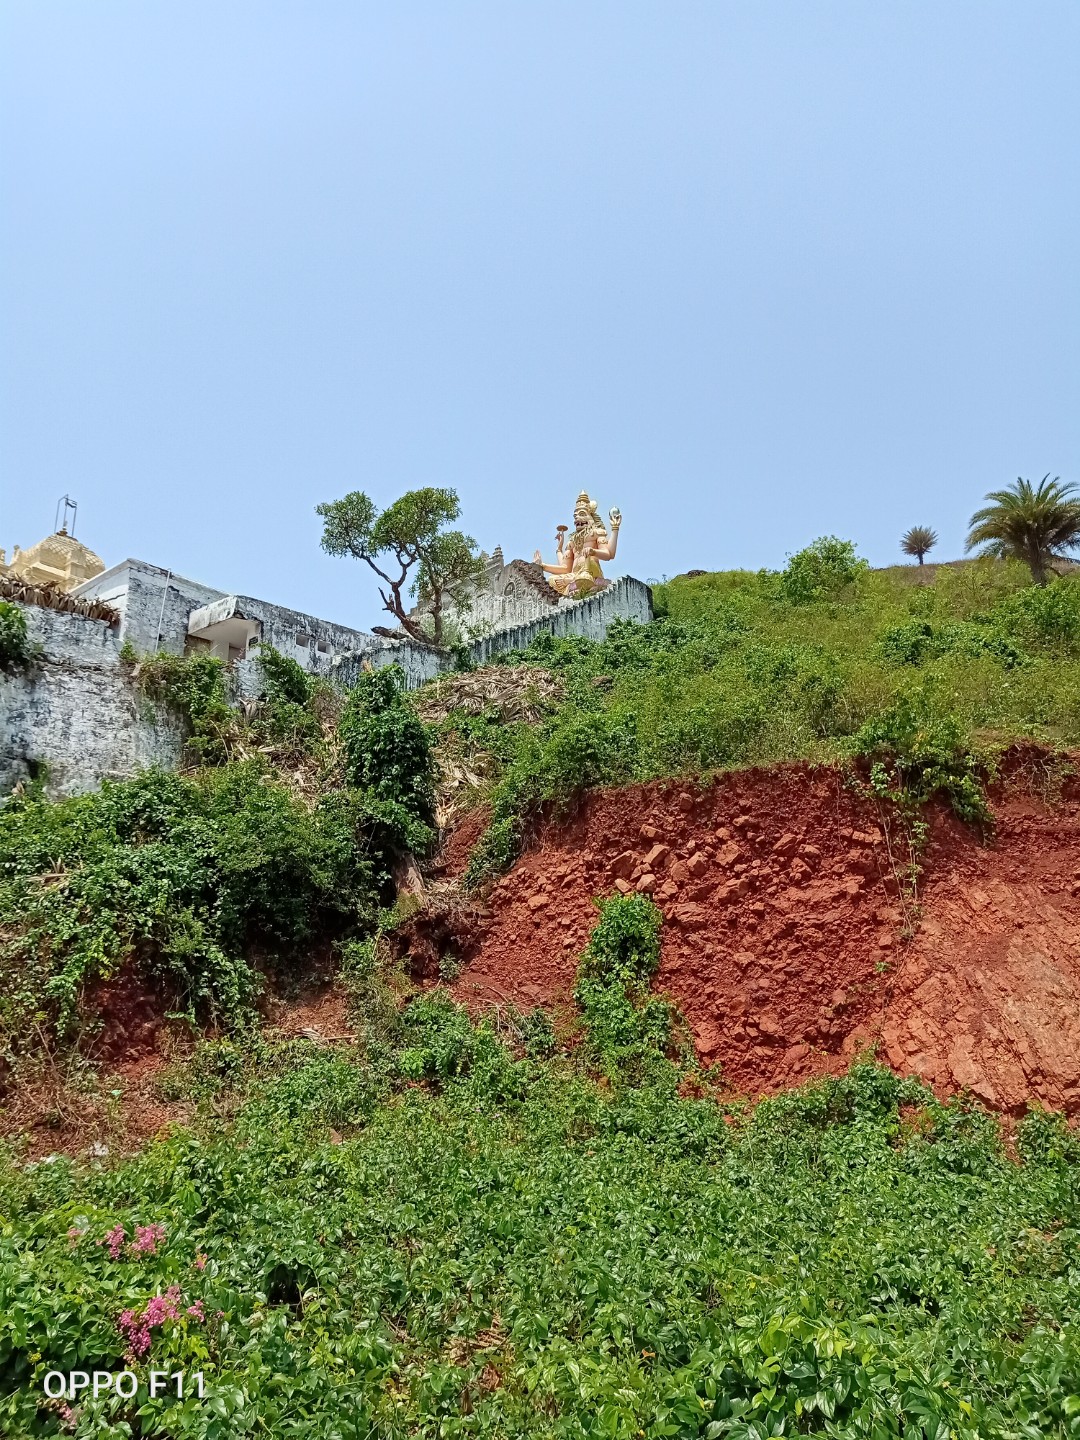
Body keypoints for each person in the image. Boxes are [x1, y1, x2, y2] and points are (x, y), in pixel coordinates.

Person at [533, 491, 622, 598]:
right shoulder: (572, 542)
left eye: (582, 514)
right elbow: (565, 568)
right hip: (575, 575)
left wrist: (614, 530)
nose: (577, 518)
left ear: (591, 517)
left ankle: (583, 580)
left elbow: (609, 554)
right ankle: (573, 582)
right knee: (551, 581)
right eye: (575, 516)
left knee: (583, 576)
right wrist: (543, 565)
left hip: (591, 572)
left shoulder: (596, 533)